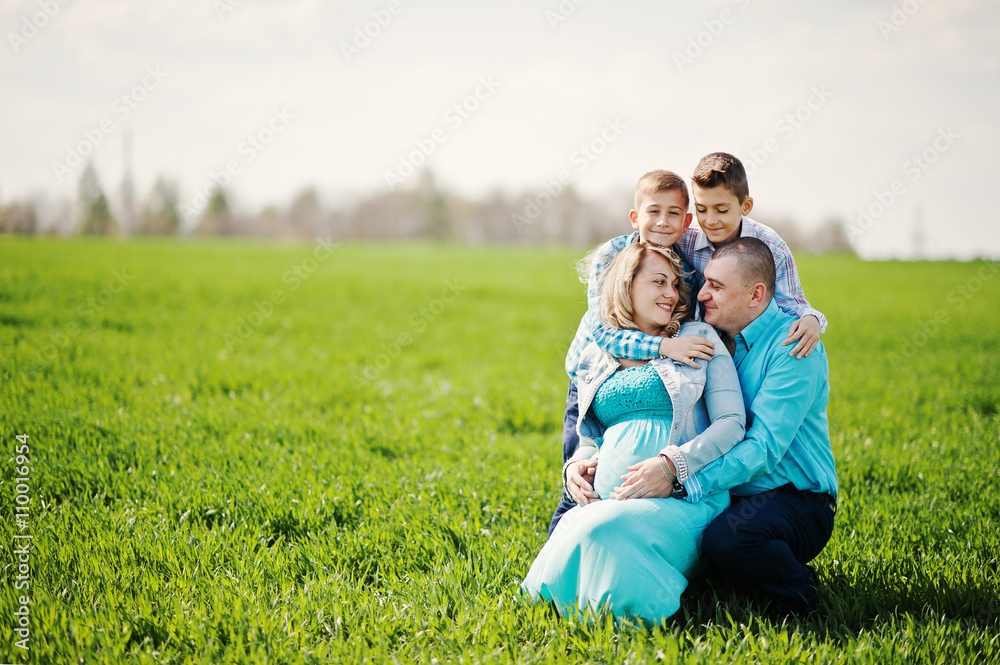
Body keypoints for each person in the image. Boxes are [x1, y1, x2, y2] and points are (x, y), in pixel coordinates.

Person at [551, 160, 828, 534]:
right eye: (702, 210)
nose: (709, 220)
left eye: (720, 209)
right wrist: (664, 347)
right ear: (636, 216)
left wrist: (813, 319)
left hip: (675, 365)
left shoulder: (761, 245)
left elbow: (790, 299)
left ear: (744, 208)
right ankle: (569, 514)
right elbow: (604, 331)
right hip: (595, 369)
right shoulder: (617, 256)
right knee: (580, 467)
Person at [521, 241, 746, 626]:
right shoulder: (600, 353)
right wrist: (577, 465)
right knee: (577, 526)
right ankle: (569, 614)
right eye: (658, 281)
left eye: (675, 285)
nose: (671, 293)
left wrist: (673, 464)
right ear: (626, 284)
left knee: (603, 527)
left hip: (684, 499)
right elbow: (590, 434)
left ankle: (627, 620)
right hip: (608, 497)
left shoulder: (699, 337)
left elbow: (732, 424)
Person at [681, 237, 838, 615]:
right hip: (732, 491)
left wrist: (684, 480)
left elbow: (764, 449)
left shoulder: (794, 346)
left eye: (716, 287)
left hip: (794, 499)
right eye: (706, 282)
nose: (701, 294)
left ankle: (802, 591)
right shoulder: (712, 340)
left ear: (756, 295)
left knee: (728, 541)